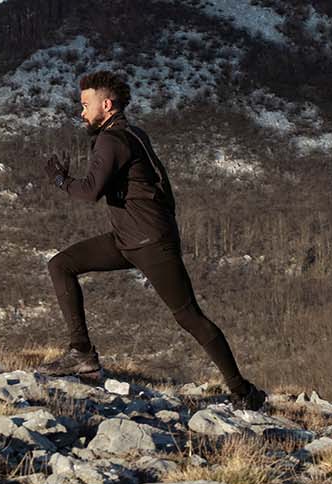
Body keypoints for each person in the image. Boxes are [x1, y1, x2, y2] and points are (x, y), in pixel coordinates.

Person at [28, 70, 265, 409]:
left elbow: (90, 191)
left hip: (150, 243)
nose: (81, 112)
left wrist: (60, 179)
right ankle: (81, 353)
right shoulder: (131, 134)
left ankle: (243, 392)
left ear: (106, 105)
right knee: (60, 264)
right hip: (131, 239)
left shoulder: (113, 140)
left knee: (188, 316)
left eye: (85, 105)